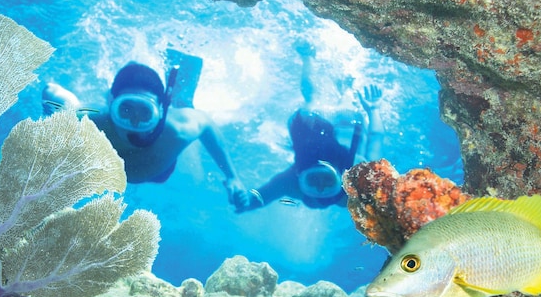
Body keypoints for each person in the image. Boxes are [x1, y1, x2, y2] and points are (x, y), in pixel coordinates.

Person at [43, 62, 248, 207]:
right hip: (149, 166)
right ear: (110, 104)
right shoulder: (91, 122)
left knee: (183, 104)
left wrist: (232, 176)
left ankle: (178, 91)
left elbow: (206, 124)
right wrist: (50, 97)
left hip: (160, 172)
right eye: (125, 110)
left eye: (145, 113)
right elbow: (54, 93)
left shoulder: (177, 130)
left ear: (159, 112)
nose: (133, 123)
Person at [235, 42, 384, 212]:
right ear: (340, 177)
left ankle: (309, 57)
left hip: (309, 136)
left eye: (314, 180)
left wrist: (245, 202)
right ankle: (344, 90)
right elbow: (376, 138)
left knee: (311, 101)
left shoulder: (290, 182)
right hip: (335, 147)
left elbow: (260, 196)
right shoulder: (358, 176)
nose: (320, 188)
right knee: (348, 116)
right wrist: (374, 110)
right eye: (326, 181)